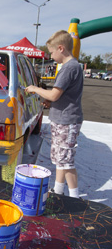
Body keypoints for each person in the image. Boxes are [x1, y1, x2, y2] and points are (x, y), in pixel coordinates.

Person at [25, 30, 83, 198]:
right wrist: (51, 104)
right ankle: (58, 190)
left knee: (66, 161)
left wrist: (36, 89)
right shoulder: (74, 66)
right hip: (64, 118)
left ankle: (74, 197)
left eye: (51, 52)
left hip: (67, 121)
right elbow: (63, 96)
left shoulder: (68, 69)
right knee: (60, 158)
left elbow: (54, 94)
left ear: (61, 48)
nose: (51, 56)